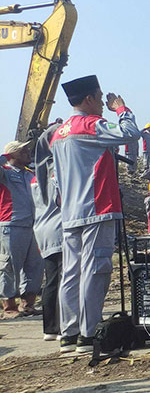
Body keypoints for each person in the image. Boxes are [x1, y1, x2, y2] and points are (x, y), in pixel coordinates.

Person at [49, 75, 140, 354]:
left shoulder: (59, 133)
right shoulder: (91, 124)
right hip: (97, 208)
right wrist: (122, 109)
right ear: (88, 99)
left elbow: (56, 180)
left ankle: (69, 332)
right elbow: (130, 133)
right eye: (101, 98)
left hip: (71, 212)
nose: (103, 103)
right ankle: (88, 335)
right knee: (95, 270)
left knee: (71, 273)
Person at [1, 140, 42, 318]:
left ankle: (28, 304)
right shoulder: (5, 173)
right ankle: (9, 307)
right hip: (12, 225)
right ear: (12, 154)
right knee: (9, 266)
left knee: (35, 266)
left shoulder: (30, 174)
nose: (27, 151)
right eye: (22, 149)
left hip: (33, 225)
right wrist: (5, 157)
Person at [31, 128, 63, 339]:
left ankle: (50, 327)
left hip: (42, 228)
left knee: (51, 279)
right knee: (62, 279)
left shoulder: (37, 174)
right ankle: (60, 326)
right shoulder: (56, 170)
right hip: (57, 228)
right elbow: (62, 200)